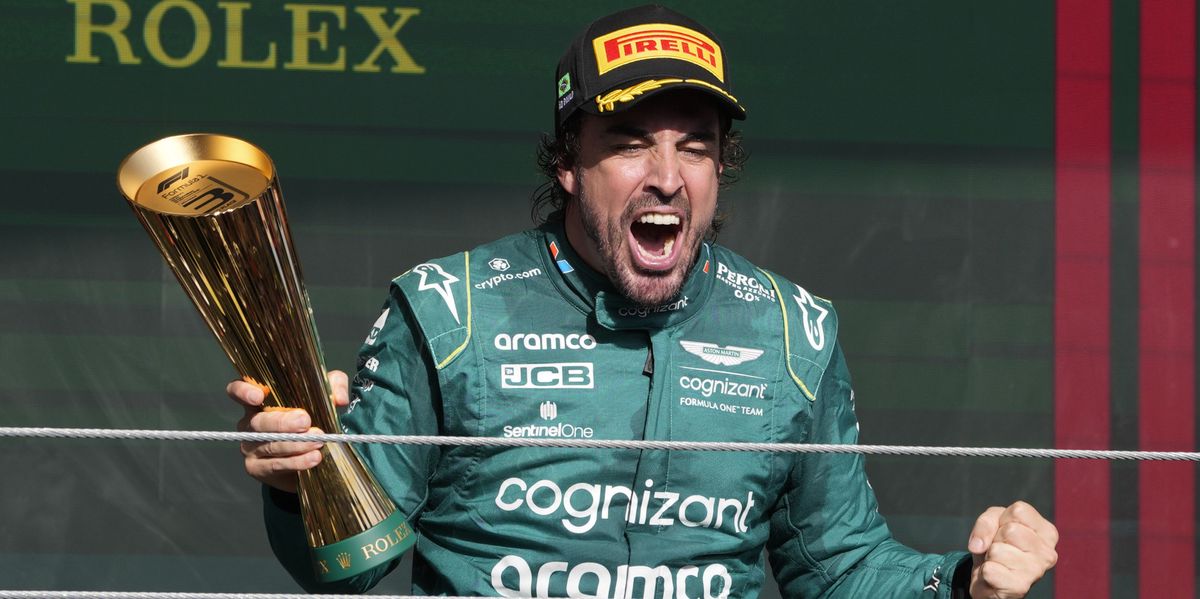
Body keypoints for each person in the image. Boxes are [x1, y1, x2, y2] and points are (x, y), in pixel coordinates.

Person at [226, 5, 1058, 598]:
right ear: (567, 163)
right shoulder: (448, 311)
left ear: (720, 167)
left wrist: (964, 583)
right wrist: (303, 481)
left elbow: (838, 568)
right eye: (629, 144)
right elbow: (349, 564)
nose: (666, 176)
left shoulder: (792, 330)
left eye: (695, 148)